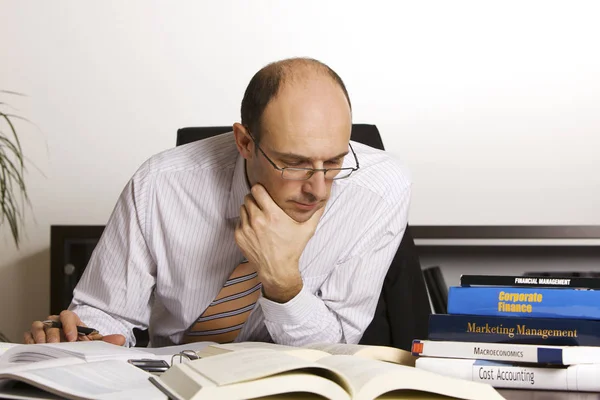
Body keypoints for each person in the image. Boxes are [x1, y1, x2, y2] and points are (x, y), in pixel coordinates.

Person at [25, 57, 411, 347]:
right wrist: (83, 336)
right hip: (174, 380)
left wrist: (283, 283)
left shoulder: (377, 188)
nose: (320, 190)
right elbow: (106, 311)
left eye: (334, 162)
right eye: (294, 164)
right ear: (244, 141)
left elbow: (337, 346)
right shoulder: (159, 185)